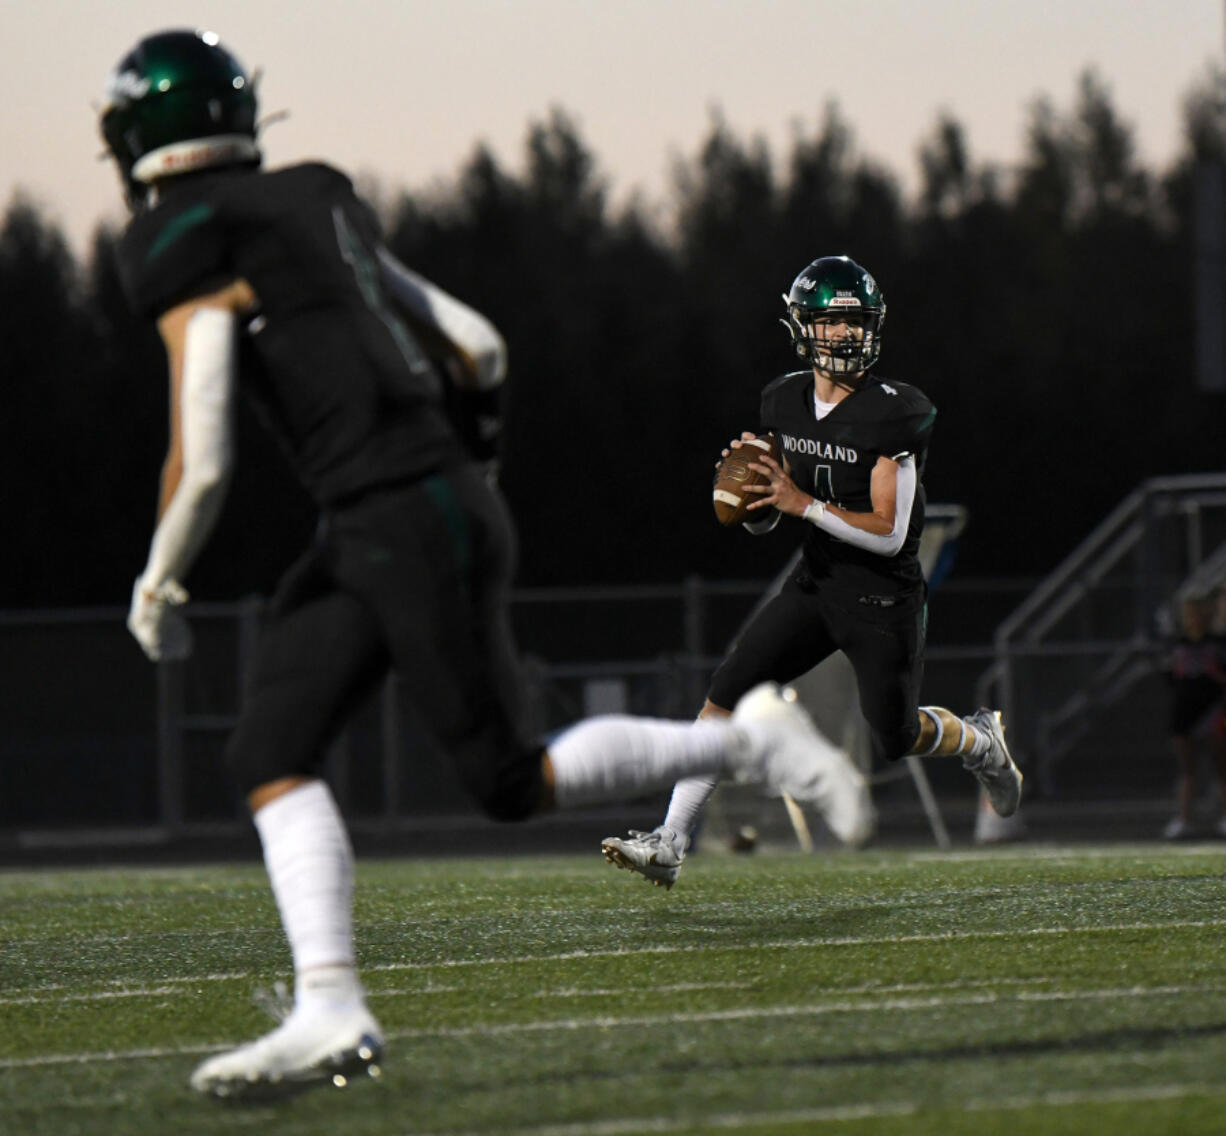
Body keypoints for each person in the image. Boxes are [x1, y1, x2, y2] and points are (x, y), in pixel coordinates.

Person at [101, 30, 852, 1100]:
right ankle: (330, 1004)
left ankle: (747, 741)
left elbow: (207, 445)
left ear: (135, 134)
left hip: (392, 513)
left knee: (504, 778)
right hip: (402, 509)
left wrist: (159, 577)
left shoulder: (177, 236)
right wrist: (466, 471)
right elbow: (479, 344)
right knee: (272, 747)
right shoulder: (313, 199)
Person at [602, 255, 1023, 888]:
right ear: (803, 326)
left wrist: (803, 504)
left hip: (883, 600)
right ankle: (670, 842)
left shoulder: (895, 412)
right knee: (727, 691)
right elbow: (774, 515)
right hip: (816, 583)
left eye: (856, 323)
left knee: (895, 736)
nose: (846, 336)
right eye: (831, 323)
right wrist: (753, 506)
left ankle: (980, 741)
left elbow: (890, 535)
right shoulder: (784, 400)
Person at [1161, 594, 1226, 839]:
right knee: (1187, 770)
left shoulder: (1218, 643)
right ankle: (1183, 818)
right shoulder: (1177, 645)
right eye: (1189, 614)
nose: (1194, 618)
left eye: (1198, 613)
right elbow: (1169, 679)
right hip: (1184, 712)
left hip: (1213, 710)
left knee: (1222, 767)